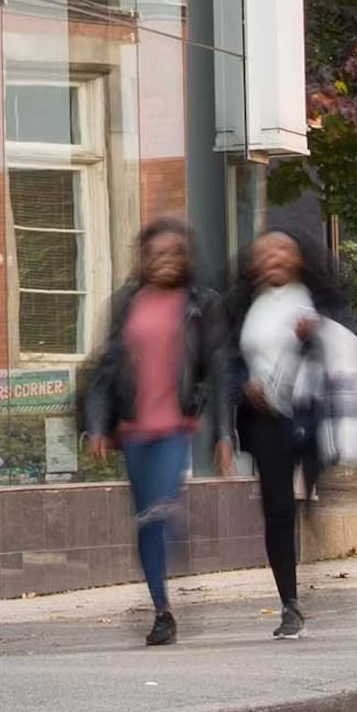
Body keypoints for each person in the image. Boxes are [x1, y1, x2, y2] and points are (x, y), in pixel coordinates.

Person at [74, 217, 233, 647]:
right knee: (145, 520)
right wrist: (97, 426)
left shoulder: (203, 303)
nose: (164, 261)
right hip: (133, 428)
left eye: (173, 254)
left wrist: (224, 433)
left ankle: (172, 532)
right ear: (143, 260)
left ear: (186, 259)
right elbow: (107, 368)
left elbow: (218, 370)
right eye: (156, 254)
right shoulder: (127, 302)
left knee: (158, 509)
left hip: (175, 425)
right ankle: (162, 607)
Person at [230, 226, 357, 640]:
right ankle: (289, 603)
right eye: (265, 252)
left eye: (283, 250)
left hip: (311, 412)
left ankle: (312, 496)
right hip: (264, 417)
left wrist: (317, 335)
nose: (274, 257)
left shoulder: (319, 300)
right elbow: (227, 358)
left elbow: (353, 344)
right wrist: (244, 384)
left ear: (300, 258)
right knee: (277, 509)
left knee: (308, 486)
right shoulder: (243, 307)